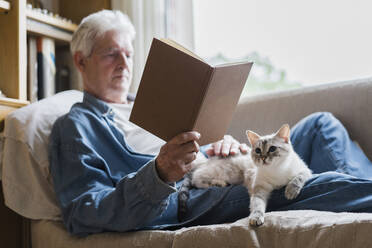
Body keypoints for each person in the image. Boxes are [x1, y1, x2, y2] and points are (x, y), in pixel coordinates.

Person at [49, 10, 372, 236]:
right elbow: (83, 213)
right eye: (110, 54)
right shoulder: (75, 127)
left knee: (320, 125)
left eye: (129, 55)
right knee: (307, 185)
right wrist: (159, 173)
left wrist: (219, 146)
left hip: (222, 168)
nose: (124, 64)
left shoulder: (152, 105)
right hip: (189, 196)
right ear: (81, 60)